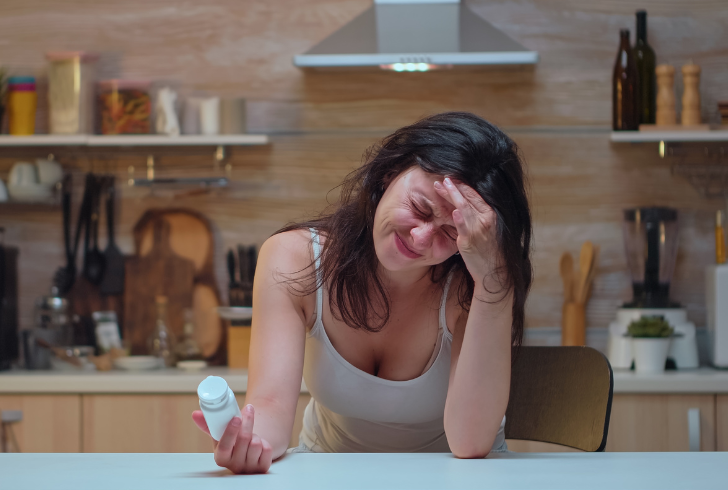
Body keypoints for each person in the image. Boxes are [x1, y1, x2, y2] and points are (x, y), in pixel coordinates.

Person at [192, 112, 533, 474]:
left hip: (452, 477)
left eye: (452, 233)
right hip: (327, 472)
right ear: (389, 173)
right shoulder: (294, 258)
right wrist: (248, 441)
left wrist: (495, 280)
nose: (421, 239)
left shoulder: (475, 285)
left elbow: (470, 443)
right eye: (419, 208)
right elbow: (270, 405)